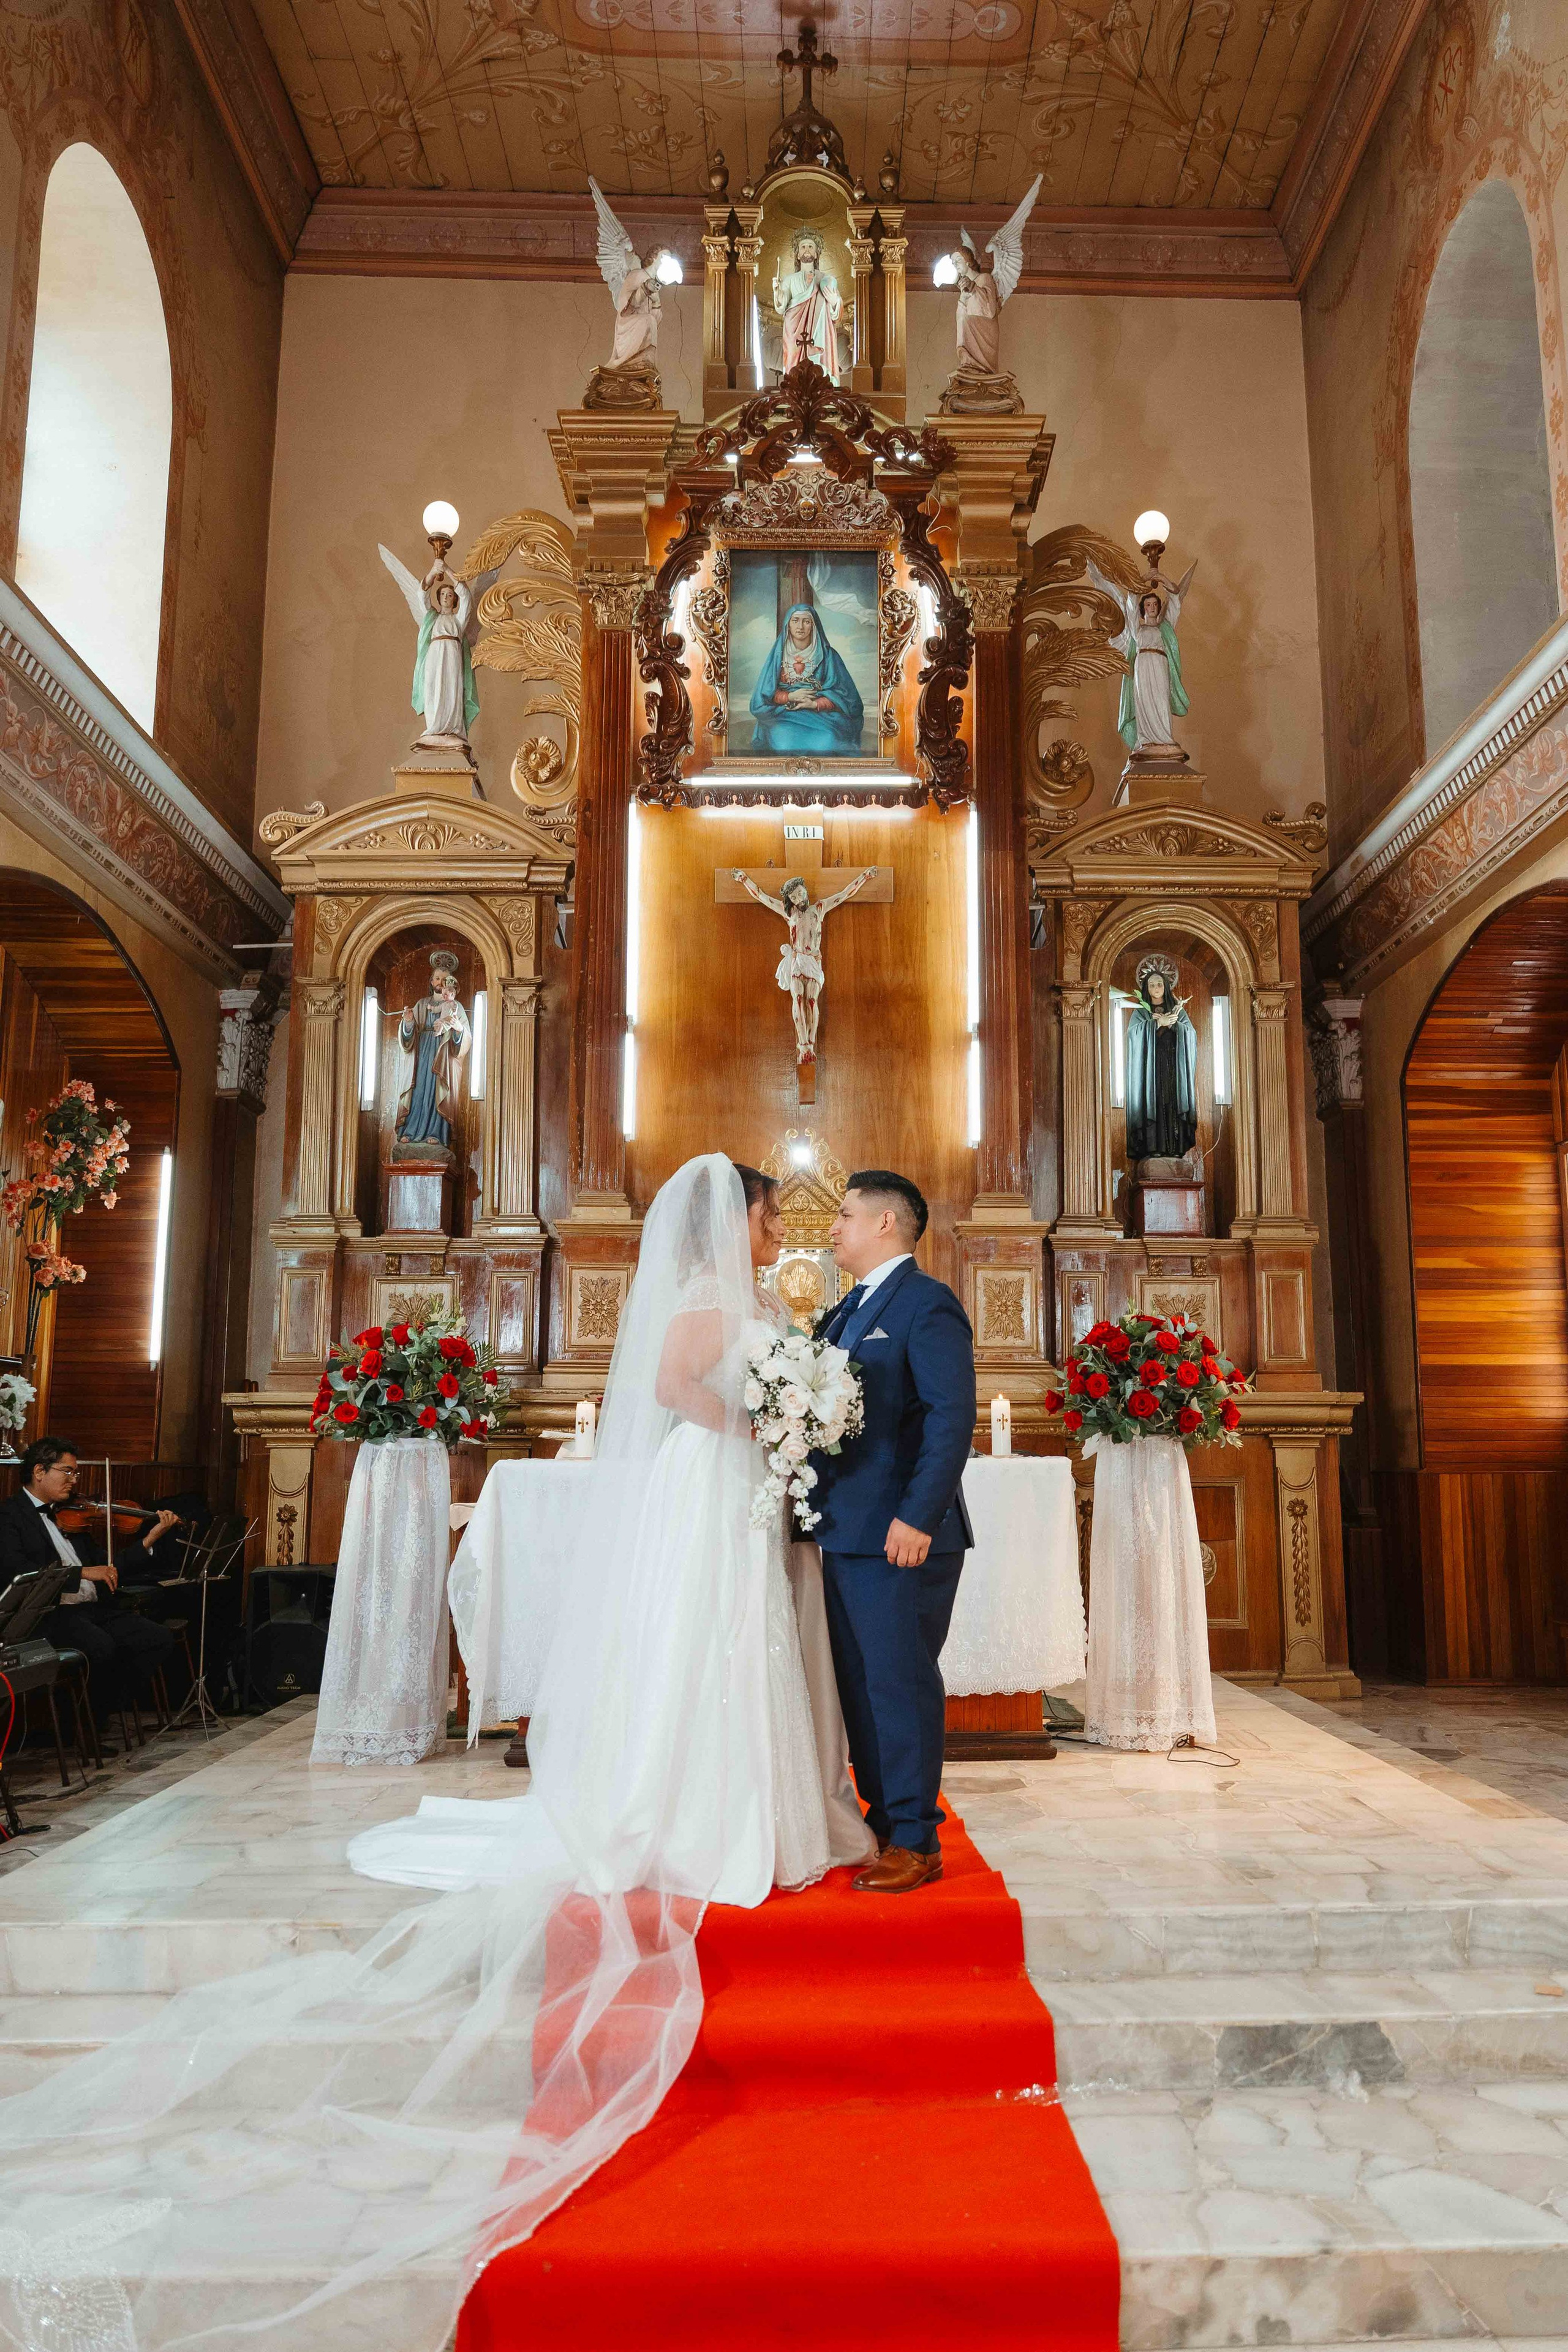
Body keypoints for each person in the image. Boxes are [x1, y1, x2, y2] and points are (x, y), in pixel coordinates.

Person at [0, 1156, 873, 2352]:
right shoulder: (704, 1299)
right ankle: (694, 1804)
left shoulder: (751, 1294)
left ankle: (746, 1799)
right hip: (709, 1482)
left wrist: (779, 1419)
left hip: (735, 1491)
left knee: (735, 1647)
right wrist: (763, 1420)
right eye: (769, 1212)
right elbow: (677, 1386)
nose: (776, 1226)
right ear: (741, 1214)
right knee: (702, 1648)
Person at [809, 1171, 976, 1894]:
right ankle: (884, 1824)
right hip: (846, 1530)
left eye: (845, 1214)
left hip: (901, 1535)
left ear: (884, 1223)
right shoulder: (845, 1309)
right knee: (861, 1688)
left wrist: (917, 1515)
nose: (833, 1227)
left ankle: (916, 1840)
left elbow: (949, 1418)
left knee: (899, 1686)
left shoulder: (925, 1303)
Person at [0, 1436, 178, 1723]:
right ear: (39, 1471)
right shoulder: (10, 1516)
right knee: (100, 1647)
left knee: (156, 1639)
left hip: (92, 1610)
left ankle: (100, 1712)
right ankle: (77, 1725)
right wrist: (82, 1573)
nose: (73, 1480)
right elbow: (17, 1570)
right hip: (51, 1615)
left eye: (76, 1473)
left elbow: (109, 1567)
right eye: (67, 1471)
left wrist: (149, 1539)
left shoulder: (71, 1515)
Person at [748, 603, 864, 757]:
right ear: (788, 625)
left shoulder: (829, 656)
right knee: (784, 744)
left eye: (806, 621)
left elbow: (847, 697)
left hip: (822, 717)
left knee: (827, 742)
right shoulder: (778, 655)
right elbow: (764, 695)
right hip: (784, 715)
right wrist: (790, 696)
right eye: (795, 621)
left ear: (814, 626)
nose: (800, 627)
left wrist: (815, 704)